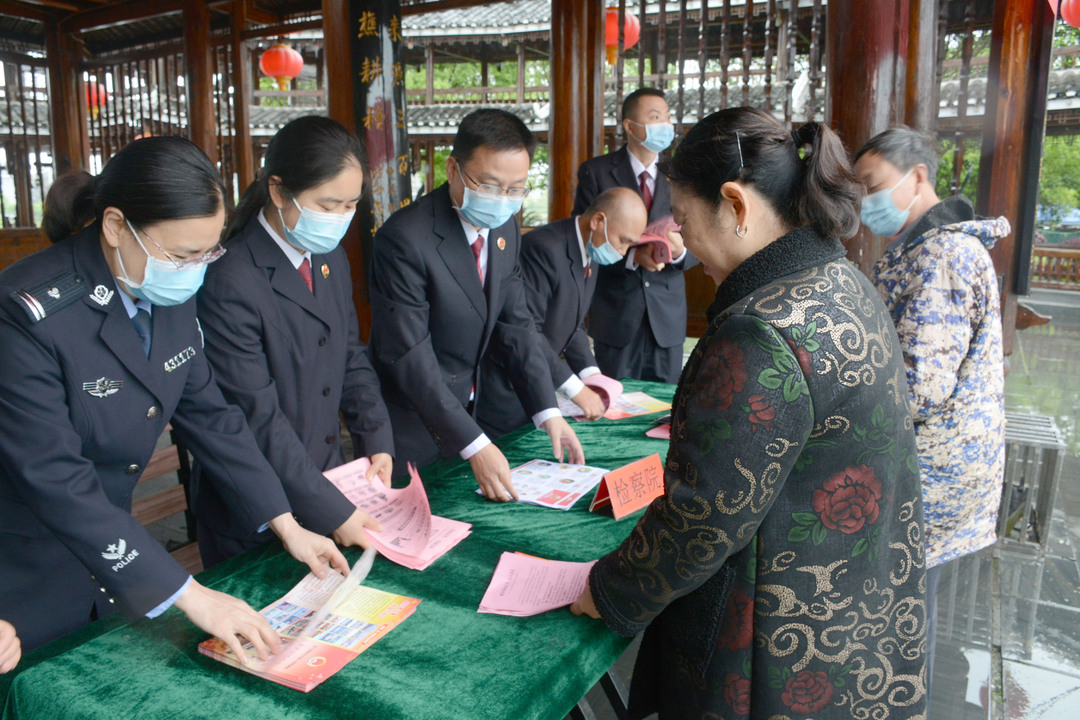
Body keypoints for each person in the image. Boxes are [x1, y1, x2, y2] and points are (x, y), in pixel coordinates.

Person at [571, 108, 928, 719]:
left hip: (777, 647)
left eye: (683, 220)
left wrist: (607, 592)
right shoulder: (841, 279)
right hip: (859, 612)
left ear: (735, 205)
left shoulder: (761, 331)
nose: (682, 244)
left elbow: (703, 516)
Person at [0, 137, 348, 657]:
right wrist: (189, 592)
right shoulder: (25, 315)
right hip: (29, 576)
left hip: (118, 567)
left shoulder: (164, 287)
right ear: (116, 226)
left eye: (209, 252)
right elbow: (56, 478)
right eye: (183, 254)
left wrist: (287, 522)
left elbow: (212, 417)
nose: (196, 270)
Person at [194, 116, 391, 568]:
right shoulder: (229, 277)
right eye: (328, 204)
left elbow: (349, 354)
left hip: (324, 484)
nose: (340, 219)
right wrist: (333, 510)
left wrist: (375, 437)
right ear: (279, 191)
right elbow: (255, 414)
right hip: (255, 509)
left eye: (350, 205)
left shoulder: (330, 258)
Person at [854, 126, 1007, 695]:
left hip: (935, 465)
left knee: (906, 605)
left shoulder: (941, 255)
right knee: (911, 597)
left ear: (918, 176)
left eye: (872, 186)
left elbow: (920, 386)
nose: (865, 201)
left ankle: (898, 699)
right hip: (940, 459)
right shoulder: (923, 247)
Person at [369, 108, 584, 502]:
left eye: (516, 189)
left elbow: (516, 324)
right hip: (417, 418)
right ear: (453, 169)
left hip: (477, 409)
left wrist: (548, 410)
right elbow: (408, 354)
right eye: (488, 185)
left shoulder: (505, 228)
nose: (502, 200)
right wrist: (474, 444)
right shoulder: (405, 239)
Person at [476, 187, 648, 436]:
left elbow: (572, 322)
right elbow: (527, 329)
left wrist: (593, 377)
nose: (623, 253)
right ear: (598, 221)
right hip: (509, 388)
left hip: (541, 386)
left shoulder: (593, 247)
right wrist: (575, 389)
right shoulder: (545, 249)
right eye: (624, 241)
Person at [573, 87, 697, 384]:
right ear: (630, 126)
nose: (665, 125)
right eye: (655, 117)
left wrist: (679, 252)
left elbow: (700, 239)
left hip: (666, 317)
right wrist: (632, 257)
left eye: (667, 118)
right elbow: (586, 239)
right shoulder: (597, 172)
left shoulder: (683, 174)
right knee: (613, 406)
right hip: (616, 313)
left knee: (664, 411)